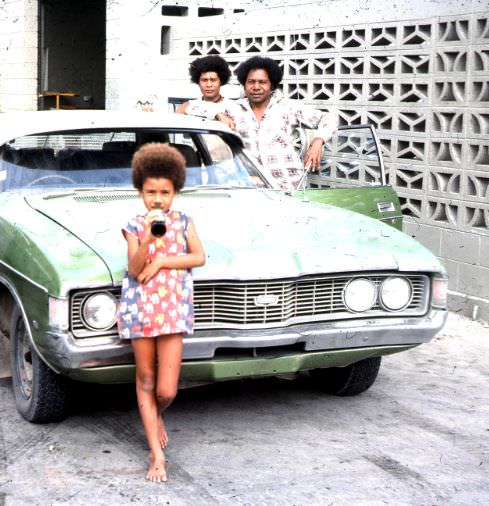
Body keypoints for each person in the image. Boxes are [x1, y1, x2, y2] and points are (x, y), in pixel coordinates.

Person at [118, 143, 206, 482]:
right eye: (151, 192)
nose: (157, 199)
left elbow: (198, 257)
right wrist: (148, 239)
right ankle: (156, 455)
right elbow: (135, 269)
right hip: (141, 309)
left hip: (172, 310)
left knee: (167, 390)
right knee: (146, 379)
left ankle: (156, 415)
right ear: (141, 191)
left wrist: (165, 260)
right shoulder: (134, 224)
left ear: (175, 192)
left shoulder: (184, 221)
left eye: (165, 193)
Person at [188, 55, 337, 190]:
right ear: (244, 84)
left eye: (262, 82)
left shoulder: (287, 107)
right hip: (249, 185)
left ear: (271, 85)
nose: (256, 87)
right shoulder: (233, 108)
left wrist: (318, 140)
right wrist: (218, 114)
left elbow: (329, 119)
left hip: (288, 184)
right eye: (251, 82)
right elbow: (192, 107)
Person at [175, 55, 234, 129]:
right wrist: (215, 114)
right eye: (204, 80)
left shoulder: (233, 106)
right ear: (198, 82)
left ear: (221, 81)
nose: (209, 85)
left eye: (213, 80)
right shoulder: (187, 106)